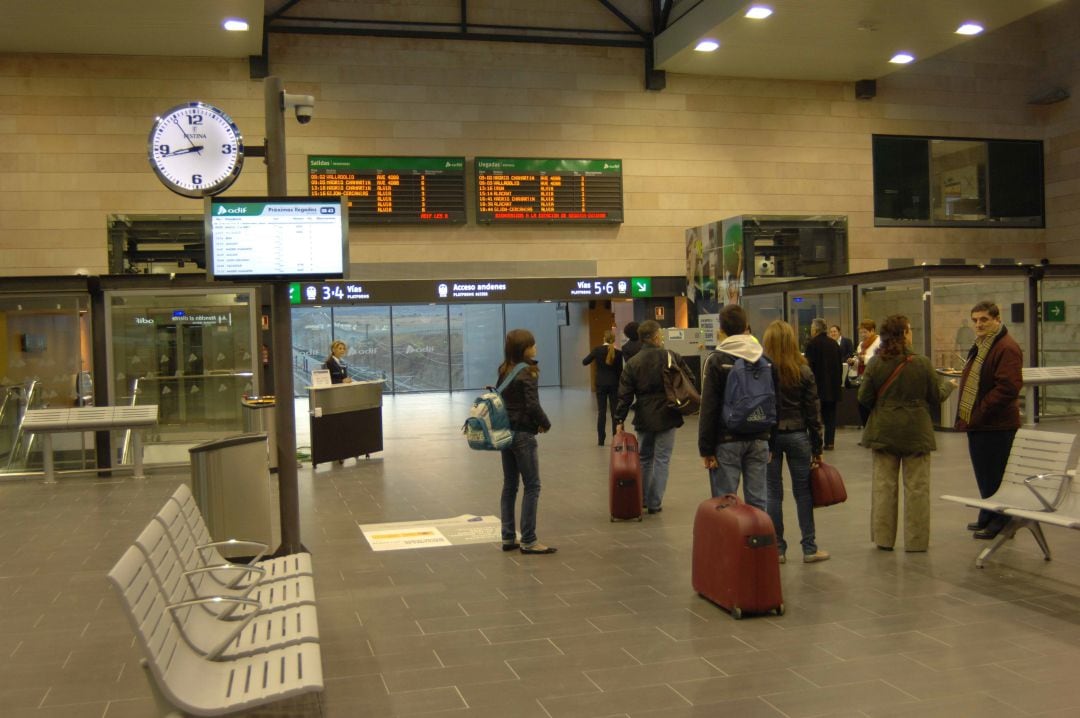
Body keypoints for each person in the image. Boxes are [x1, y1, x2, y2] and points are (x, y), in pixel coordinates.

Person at [858, 315, 956, 552]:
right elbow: (935, 397)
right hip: (916, 433)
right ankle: (916, 541)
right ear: (904, 333)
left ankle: (883, 539)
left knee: (883, 487)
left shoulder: (876, 363)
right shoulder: (921, 363)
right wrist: (949, 385)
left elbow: (863, 397)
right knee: (917, 489)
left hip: (884, 431)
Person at [954, 301, 1023, 540]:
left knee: (996, 476)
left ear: (996, 319)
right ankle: (988, 513)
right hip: (982, 423)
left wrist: (979, 412)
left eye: (983, 319)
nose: (978, 324)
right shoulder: (983, 344)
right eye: (975, 320)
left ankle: (1002, 521)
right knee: (985, 474)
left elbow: (1008, 388)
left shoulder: (1006, 347)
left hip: (997, 425)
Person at [698, 304, 777, 510]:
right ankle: (759, 540)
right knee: (759, 500)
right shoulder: (764, 359)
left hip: (727, 439)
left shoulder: (717, 359)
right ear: (746, 327)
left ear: (721, 329)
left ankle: (728, 543)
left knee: (726, 502)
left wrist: (706, 449)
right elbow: (773, 401)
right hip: (760, 437)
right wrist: (771, 439)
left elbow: (709, 407)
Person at [762, 320, 829, 564]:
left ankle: (777, 549)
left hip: (770, 437)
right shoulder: (804, 370)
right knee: (803, 493)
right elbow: (813, 411)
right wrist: (817, 446)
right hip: (799, 434)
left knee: (773, 494)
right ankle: (809, 548)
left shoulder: (762, 370)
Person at [614, 320, 686, 514]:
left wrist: (619, 419)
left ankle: (642, 499)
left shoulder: (633, 362)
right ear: (655, 337)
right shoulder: (671, 356)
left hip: (644, 415)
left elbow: (625, 394)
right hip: (668, 413)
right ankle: (655, 503)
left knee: (645, 458)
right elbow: (689, 379)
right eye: (660, 334)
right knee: (662, 459)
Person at [497, 329, 556, 554]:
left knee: (509, 485)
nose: (536, 347)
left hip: (506, 433)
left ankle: (508, 537)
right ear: (525, 349)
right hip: (522, 434)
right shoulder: (528, 371)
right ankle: (529, 539)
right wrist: (545, 423)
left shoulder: (505, 370)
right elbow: (532, 405)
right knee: (532, 485)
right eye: (533, 344)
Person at [805, 318, 842, 450]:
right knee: (831, 416)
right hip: (832, 387)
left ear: (815, 329)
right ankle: (830, 442)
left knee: (814, 417)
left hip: (817, 388)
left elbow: (809, 368)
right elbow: (839, 366)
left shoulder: (812, 345)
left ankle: (816, 442)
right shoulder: (834, 344)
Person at [582, 329, 623, 446]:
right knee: (615, 412)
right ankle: (616, 438)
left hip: (600, 384)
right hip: (614, 384)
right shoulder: (618, 353)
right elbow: (620, 371)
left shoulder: (597, 350)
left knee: (601, 412)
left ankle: (601, 440)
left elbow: (584, 362)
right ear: (614, 340)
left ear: (603, 339)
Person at [849, 319, 881, 425]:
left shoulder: (879, 342)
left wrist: (865, 359)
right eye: (861, 332)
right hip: (863, 378)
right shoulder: (861, 345)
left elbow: (879, 359)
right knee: (862, 406)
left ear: (872, 330)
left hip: (875, 379)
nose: (862, 334)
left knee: (872, 406)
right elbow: (858, 362)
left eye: (865, 332)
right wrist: (853, 362)